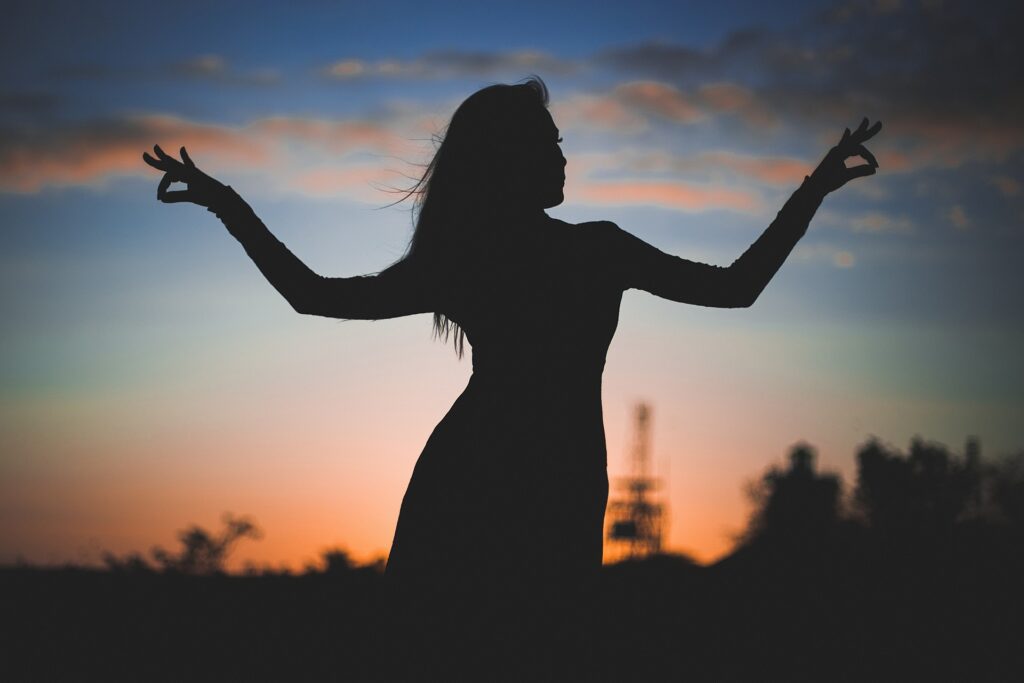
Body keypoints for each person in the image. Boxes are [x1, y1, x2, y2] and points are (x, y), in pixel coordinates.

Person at [143, 76, 880, 676]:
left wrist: (228, 207)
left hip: (516, 482)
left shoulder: (539, 254)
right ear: (512, 160)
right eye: (552, 145)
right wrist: (812, 189)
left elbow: (314, 295)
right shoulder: (574, 253)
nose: (565, 160)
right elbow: (739, 286)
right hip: (488, 487)